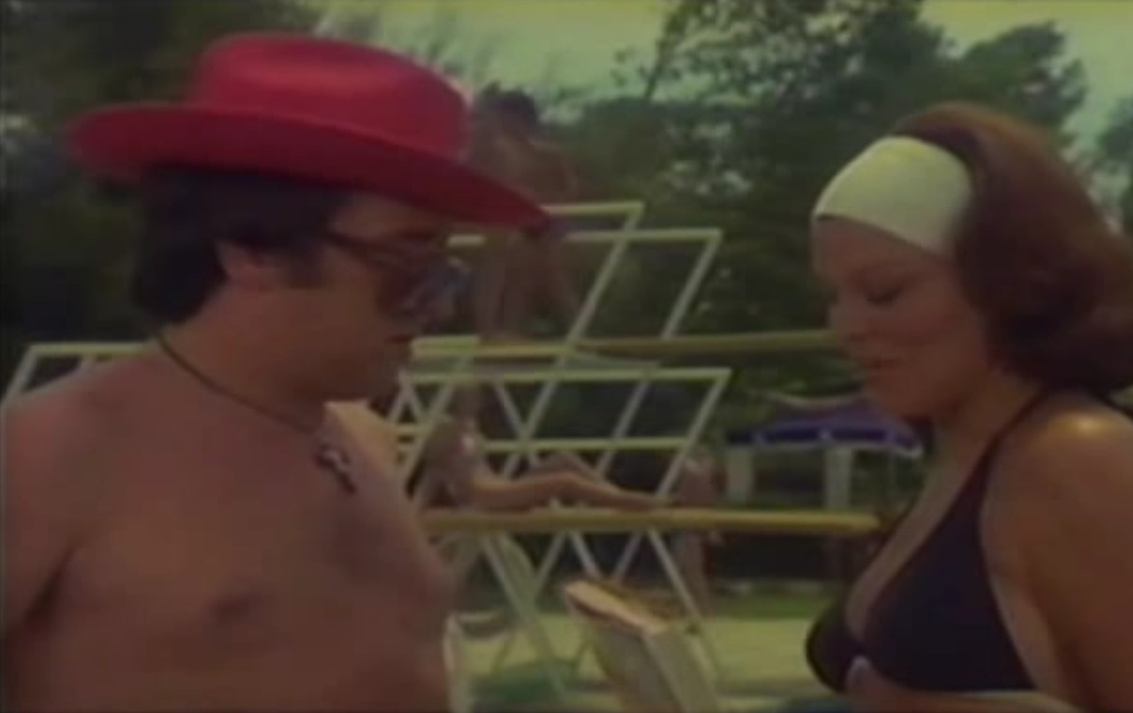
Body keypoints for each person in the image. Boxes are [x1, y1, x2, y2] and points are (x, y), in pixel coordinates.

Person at [1, 34, 551, 712]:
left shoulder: (365, 442)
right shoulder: (51, 453)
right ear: (255, 249)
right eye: (408, 263)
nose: (439, 304)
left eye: (445, 269)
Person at [802, 102, 1133, 712]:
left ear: (1006, 281)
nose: (848, 326)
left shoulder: (1079, 461)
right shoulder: (963, 451)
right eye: (835, 296)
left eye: (885, 292)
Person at [407, 381, 658, 512]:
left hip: (498, 487)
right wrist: (416, 509)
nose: (477, 401)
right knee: (564, 481)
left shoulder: (470, 428)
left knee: (561, 459)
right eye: (470, 396)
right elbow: (435, 472)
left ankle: (615, 495)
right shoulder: (445, 430)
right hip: (482, 495)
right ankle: (623, 501)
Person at [467, 88, 581, 342]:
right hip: (505, 218)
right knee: (505, 254)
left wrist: (544, 201)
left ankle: (574, 327)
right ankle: (497, 329)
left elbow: (569, 190)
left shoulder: (547, 155)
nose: (502, 124)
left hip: (539, 218)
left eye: (506, 118)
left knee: (547, 265)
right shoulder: (492, 150)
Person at [671, 443, 725, 616]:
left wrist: (711, 528)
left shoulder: (697, 475)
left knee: (692, 570)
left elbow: (703, 501)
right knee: (686, 570)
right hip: (688, 527)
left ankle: (703, 609)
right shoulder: (700, 477)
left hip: (691, 528)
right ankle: (694, 608)